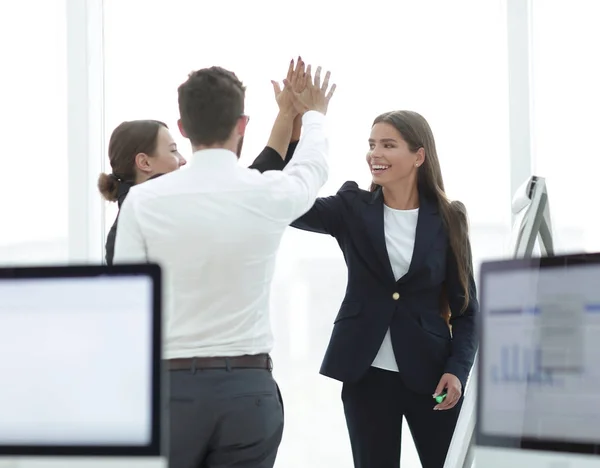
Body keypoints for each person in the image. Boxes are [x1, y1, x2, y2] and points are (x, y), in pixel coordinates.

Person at [113, 62, 336, 468]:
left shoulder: (142, 204)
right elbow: (311, 169)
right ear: (242, 123)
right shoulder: (266, 192)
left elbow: (127, 307)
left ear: (182, 127)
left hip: (170, 393)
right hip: (247, 394)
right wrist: (314, 114)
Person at [257, 110, 478, 468]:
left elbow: (467, 309)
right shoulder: (352, 208)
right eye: (372, 144)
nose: (375, 153)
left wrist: (457, 370)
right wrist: (292, 135)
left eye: (388, 145)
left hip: (434, 377)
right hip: (366, 375)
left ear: (418, 156)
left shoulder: (450, 218)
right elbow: (286, 204)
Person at [98, 58, 306, 265]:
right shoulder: (145, 218)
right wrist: (293, 115)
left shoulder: (160, 208)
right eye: (173, 151)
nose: (182, 160)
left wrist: (288, 114)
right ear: (144, 162)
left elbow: (258, 172)